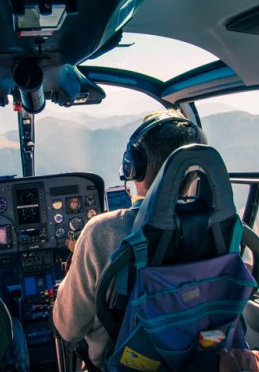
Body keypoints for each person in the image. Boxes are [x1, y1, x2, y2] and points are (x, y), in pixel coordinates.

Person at [52, 109, 207, 370]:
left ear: (133, 166)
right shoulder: (220, 228)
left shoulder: (102, 231)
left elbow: (69, 329)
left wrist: (76, 268)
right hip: (192, 362)